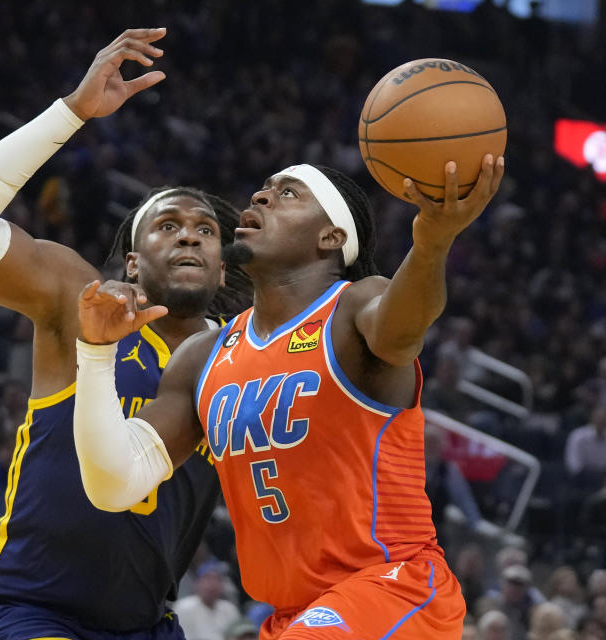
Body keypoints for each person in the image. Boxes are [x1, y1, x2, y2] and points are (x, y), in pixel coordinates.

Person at [71, 63, 504, 638]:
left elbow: (404, 331)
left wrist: (432, 242)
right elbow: (114, 483)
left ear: (331, 238)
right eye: (264, 189)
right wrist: (96, 356)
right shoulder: (205, 356)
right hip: (291, 616)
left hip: (393, 586)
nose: (260, 196)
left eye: (287, 193)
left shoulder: (355, 307)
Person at [0, 27, 249, 640]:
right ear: (132, 260)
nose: (188, 235)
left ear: (223, 264)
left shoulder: (243, 354)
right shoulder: (83, 300)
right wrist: (72, 111)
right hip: (30, 611)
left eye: (205, 230)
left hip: (147, 624)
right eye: (168, 225)